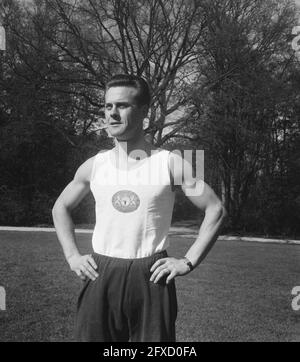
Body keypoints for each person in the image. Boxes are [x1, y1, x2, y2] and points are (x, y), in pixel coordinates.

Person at [52, 74, 227, 342]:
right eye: (108, 106)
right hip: (101, 271)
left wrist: (187, 261)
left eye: (122, 105)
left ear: (144, 111)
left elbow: (215, 209)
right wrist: (73, 256)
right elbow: (60, 207)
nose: (112, 113)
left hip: (151, 275)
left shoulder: (171, 163)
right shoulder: (94, 165)